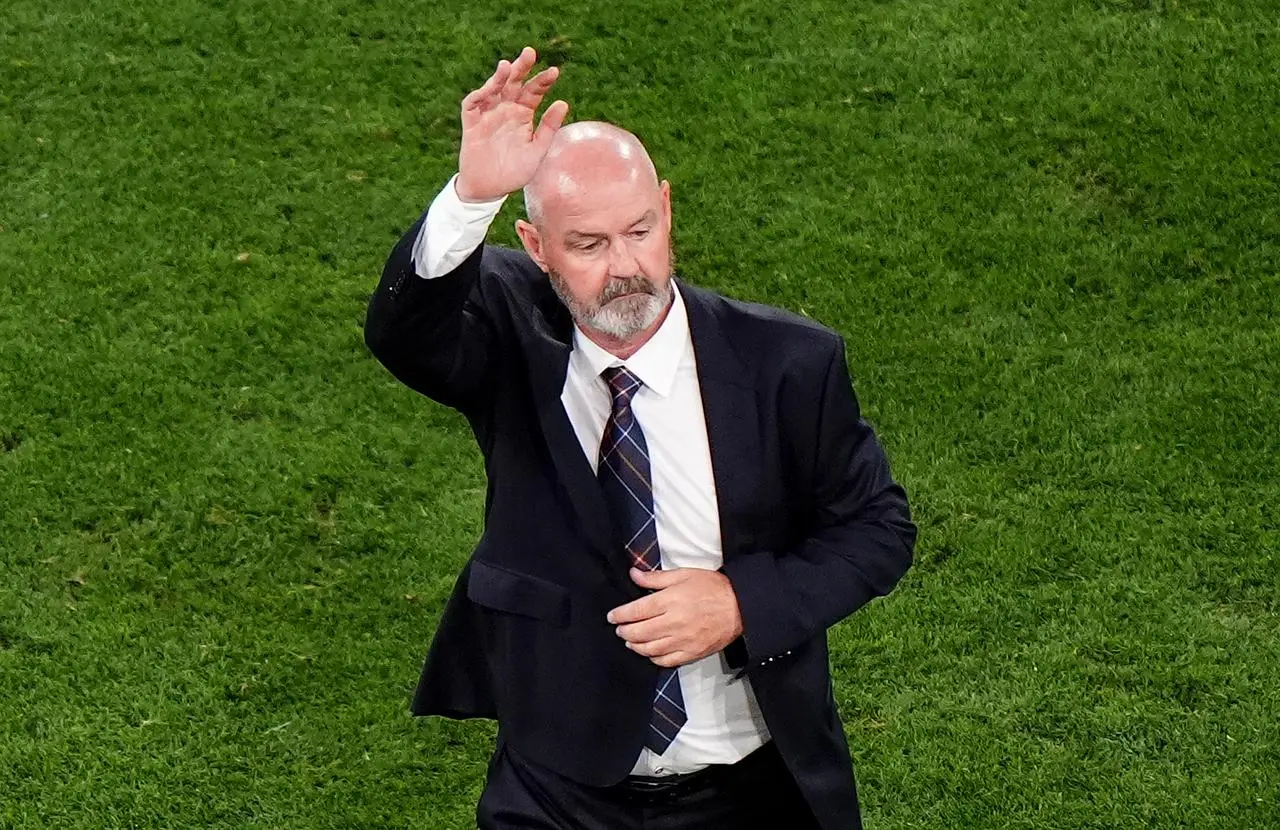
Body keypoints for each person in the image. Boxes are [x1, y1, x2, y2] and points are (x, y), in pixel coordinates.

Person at [365, 46, 916, 830]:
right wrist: (468, 196)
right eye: (587, 245)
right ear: (536, 245)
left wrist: (738, 602)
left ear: (666, 208)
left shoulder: (789, 362)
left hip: (752, 784)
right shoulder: (509, 331)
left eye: (639, 231)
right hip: (558, 789)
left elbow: (878, 529)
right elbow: (404, 332)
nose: (625, 268)